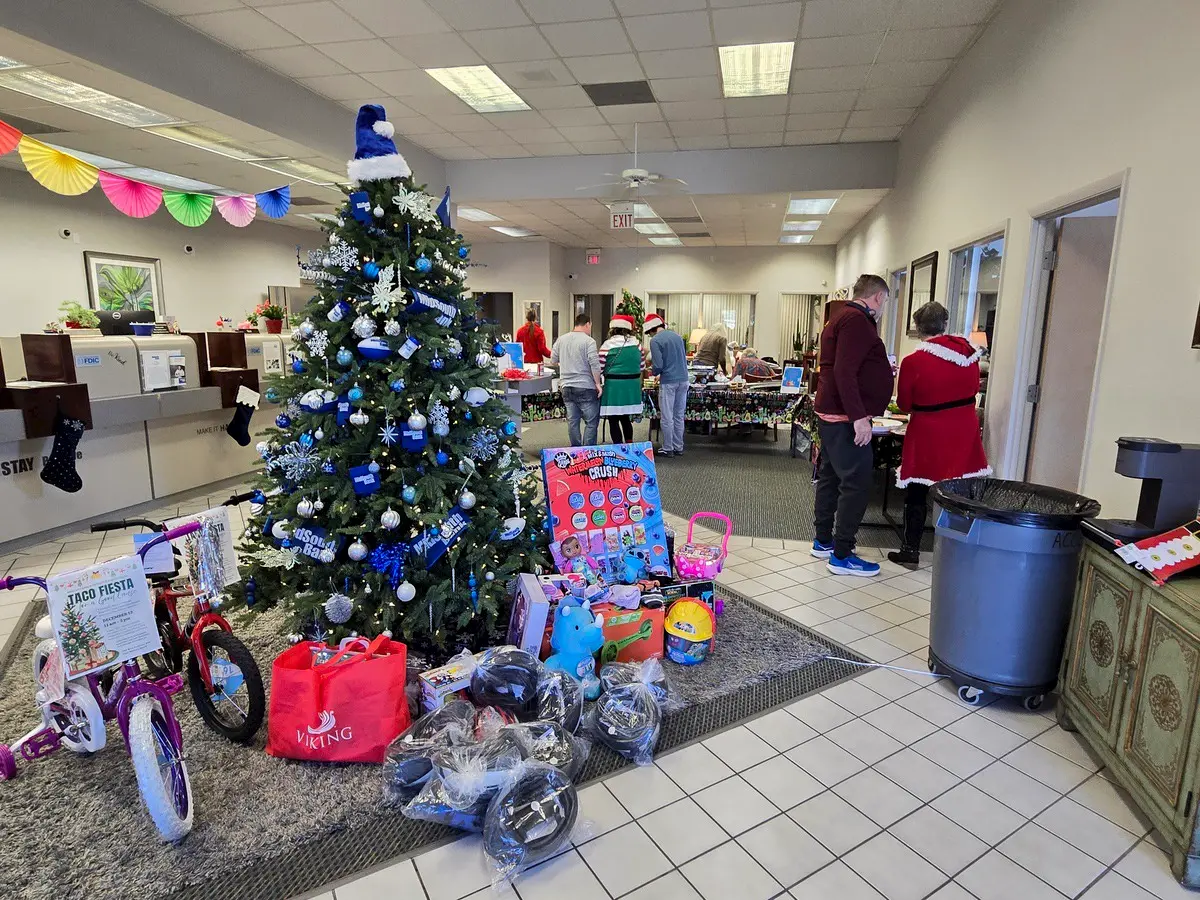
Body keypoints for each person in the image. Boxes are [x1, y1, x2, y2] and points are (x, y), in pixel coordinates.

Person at [888, 302, 991, 568]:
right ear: (945, 324)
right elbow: (973, 391)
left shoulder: (914, 361)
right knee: (961, 492)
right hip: (963, 430)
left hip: (928, 431)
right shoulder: (970, 356)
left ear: (918, 328)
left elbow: (905, 405)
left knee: (917, 492)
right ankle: (963, 551)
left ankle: (911, 549)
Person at [811, 274, 895, 577]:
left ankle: (823, 541)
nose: (884, 306)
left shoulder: (839, 318)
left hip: (833, 412)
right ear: (877, 298)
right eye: (885, 301)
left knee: (831, 477)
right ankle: (843, 554)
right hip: (847, 417)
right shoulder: (857, 322)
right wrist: (860, 417)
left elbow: (844, 366)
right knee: (856, 484)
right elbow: (846, 371)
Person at [548, 313, 602, 447]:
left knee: (573, 422)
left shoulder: (561, 339)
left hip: (566, 386)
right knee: (591, 422)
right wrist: (597, 383)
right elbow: (594, 364)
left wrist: (566, 364)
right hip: (586, 387)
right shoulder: (589, 341)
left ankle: (576, 452)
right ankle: (588, 453)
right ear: (588, 324)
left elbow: (553, 360)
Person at [644, 313, 688, 457]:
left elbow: (658, 365)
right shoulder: (677, 336)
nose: (650, 336)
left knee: (667, 416)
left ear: (652, 329)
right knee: (679, 415)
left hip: (668, 381)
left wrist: (653, 371)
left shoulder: (656, 341)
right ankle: (678, 446)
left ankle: (668, 448)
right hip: (684, 379)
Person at [599, 314, 644, 444]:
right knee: (625, 418)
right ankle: (629, 443)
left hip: (614, 386)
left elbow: (600, 367)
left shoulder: (607, 345)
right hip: (632, 386)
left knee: (613, 419)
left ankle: (618, 447)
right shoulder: (637, 344)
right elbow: (641, 367)